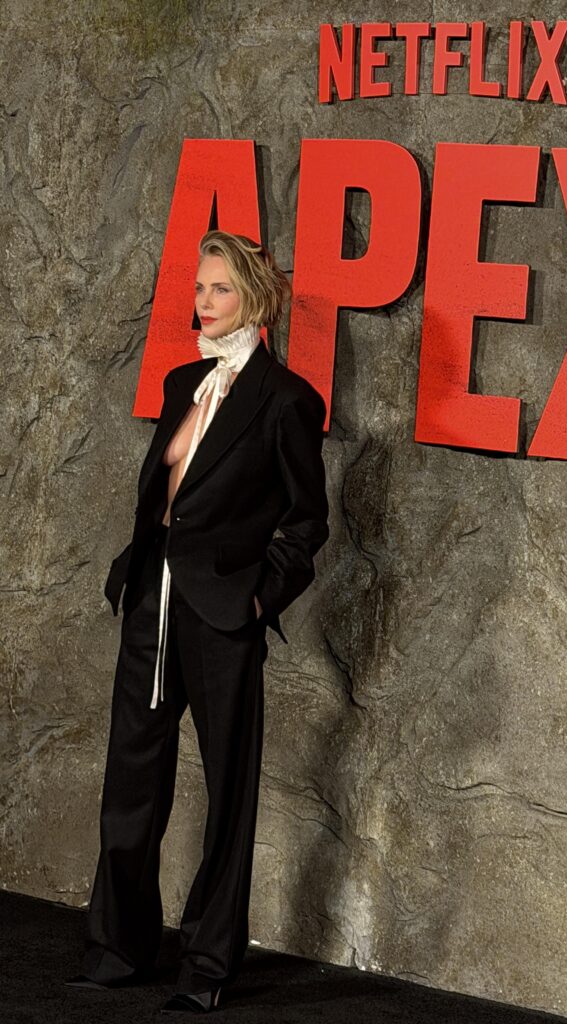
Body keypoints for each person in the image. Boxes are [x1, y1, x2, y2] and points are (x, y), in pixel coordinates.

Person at [65, 230, 330, 1014]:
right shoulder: (185, 379)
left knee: (229, 794)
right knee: (130, 780)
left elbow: (306, 523)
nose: (201, 302)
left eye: (217, 289)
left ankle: (208, 967)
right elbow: (165, 500)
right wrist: (140, 569)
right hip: (153, 601)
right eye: (199, 287)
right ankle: (117, 947)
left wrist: (257, 597)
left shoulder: (286, 400)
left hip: (221, 614)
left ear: (253, 298)